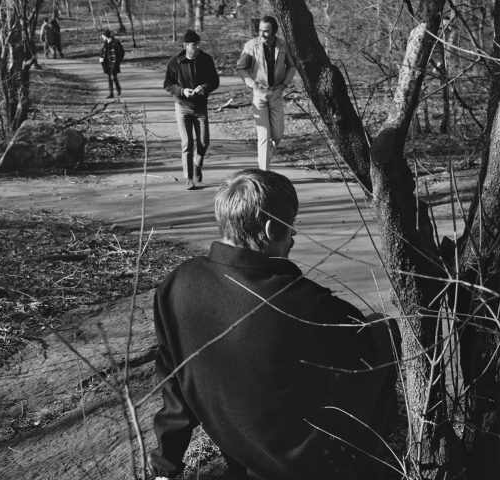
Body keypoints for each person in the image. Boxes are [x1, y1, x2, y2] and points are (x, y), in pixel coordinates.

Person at [148, 169, 400, 480]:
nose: (293, 236)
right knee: (383, 331)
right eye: (292, 226)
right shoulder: (304, 302)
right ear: (270, 229)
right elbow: (364, 349)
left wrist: (165, 466)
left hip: (239, 451)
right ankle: (374, 457)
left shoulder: (177, 284)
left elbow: (175, 386)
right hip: (306, 463)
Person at [236, 15, 296, 171]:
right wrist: (252, 84)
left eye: (266, 31)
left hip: (276, 94)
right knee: (263, 136)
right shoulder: (251, 46)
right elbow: (241, 68)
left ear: (275, 31)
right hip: (259, 96)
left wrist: (285, 84)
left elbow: (291, 65)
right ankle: (264, 172)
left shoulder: (283, 45)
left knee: (277, 135)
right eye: (260, 30)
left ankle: (262, 160)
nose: (262, 34)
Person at [164, 30, 219, 190]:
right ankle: (188, 178)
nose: (197, 47)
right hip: (182, 108)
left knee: (204, 142)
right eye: (194, 45)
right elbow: (167, 84)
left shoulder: (206, 59)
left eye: (198, 44)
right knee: (187, 143)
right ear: (185, 46)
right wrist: (182, 91)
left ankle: (197, 164)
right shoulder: (175, 62)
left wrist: (205, 87)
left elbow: (215, 81)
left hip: (201, 107)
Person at [99, 30, 125, 98]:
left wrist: (119, 60)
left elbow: (122, 52)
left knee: (112, 76)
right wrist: (101, 58)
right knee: (110, 77)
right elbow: (102, 52)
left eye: (103, 36)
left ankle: (118, 89)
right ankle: (111, 93)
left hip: (115, 62)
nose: (102, 37)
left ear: (106, 36)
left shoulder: (116, 42)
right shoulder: (105, 43)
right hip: (107, 63)